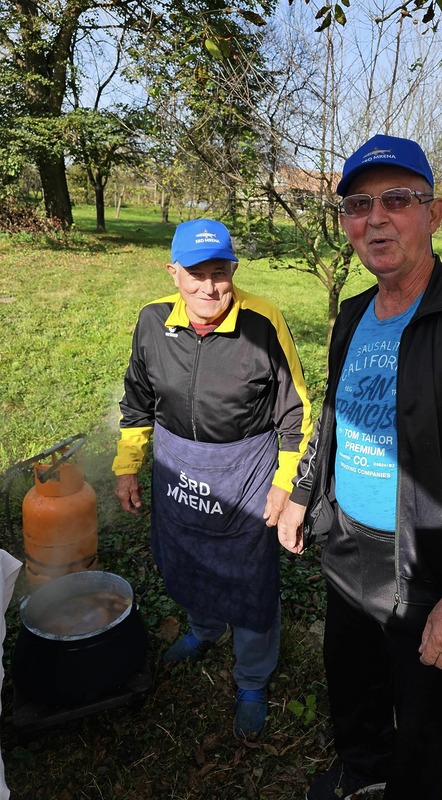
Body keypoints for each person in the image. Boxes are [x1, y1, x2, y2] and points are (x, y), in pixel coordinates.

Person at [277, 135, 442, 799]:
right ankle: (362, 774)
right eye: (357, 205)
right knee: (354, 692)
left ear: (434, 213)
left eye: (397, 200)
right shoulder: (352, 316)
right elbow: (334, 415)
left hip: (427, 566)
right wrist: (302, 491)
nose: (375, 219)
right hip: (347, 550)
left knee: (425, 732)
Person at [113, 218, 312, 739]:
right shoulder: (152, 321)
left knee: (248, 577)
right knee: (188, 557)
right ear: (173, 272)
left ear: (234, 270)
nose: (209, 287)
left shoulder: (262, 322)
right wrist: (127, 465)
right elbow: (137, 401)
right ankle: (203, 628)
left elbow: (296, 411)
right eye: (196, 273)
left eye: (219, 272)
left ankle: (252, 677)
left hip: (245, 475)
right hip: (177, 469)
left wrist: (285, 484)